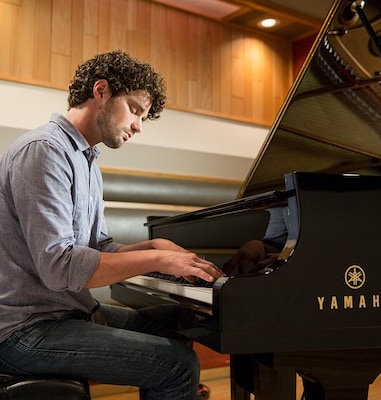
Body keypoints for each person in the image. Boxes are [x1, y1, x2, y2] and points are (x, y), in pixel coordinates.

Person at [0, 49, 223, 400]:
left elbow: (99, 247)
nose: (137, 125)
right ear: (101, 91)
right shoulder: (44, 149)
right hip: (24, 331)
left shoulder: (87, 160)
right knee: (178, 365)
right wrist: (158, 261)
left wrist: (151, 247)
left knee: (177, 324)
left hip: (63, 314)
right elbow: (59, 267)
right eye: (134, 109)